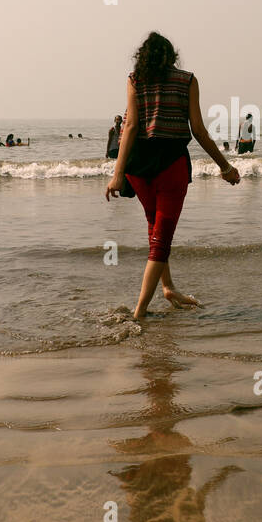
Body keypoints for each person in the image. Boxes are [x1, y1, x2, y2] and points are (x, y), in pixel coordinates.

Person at [105, 31, 239, 320]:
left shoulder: (134, 80)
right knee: (161, 240)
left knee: (155, 230)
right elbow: (199, 131)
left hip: (138, 167)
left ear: (142, 56)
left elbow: (129, 128)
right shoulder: (187, 80)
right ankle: (139, 312)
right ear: (171, 55)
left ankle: (168, 288)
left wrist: (118, 174)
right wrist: (225, 167)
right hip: (170, 164)